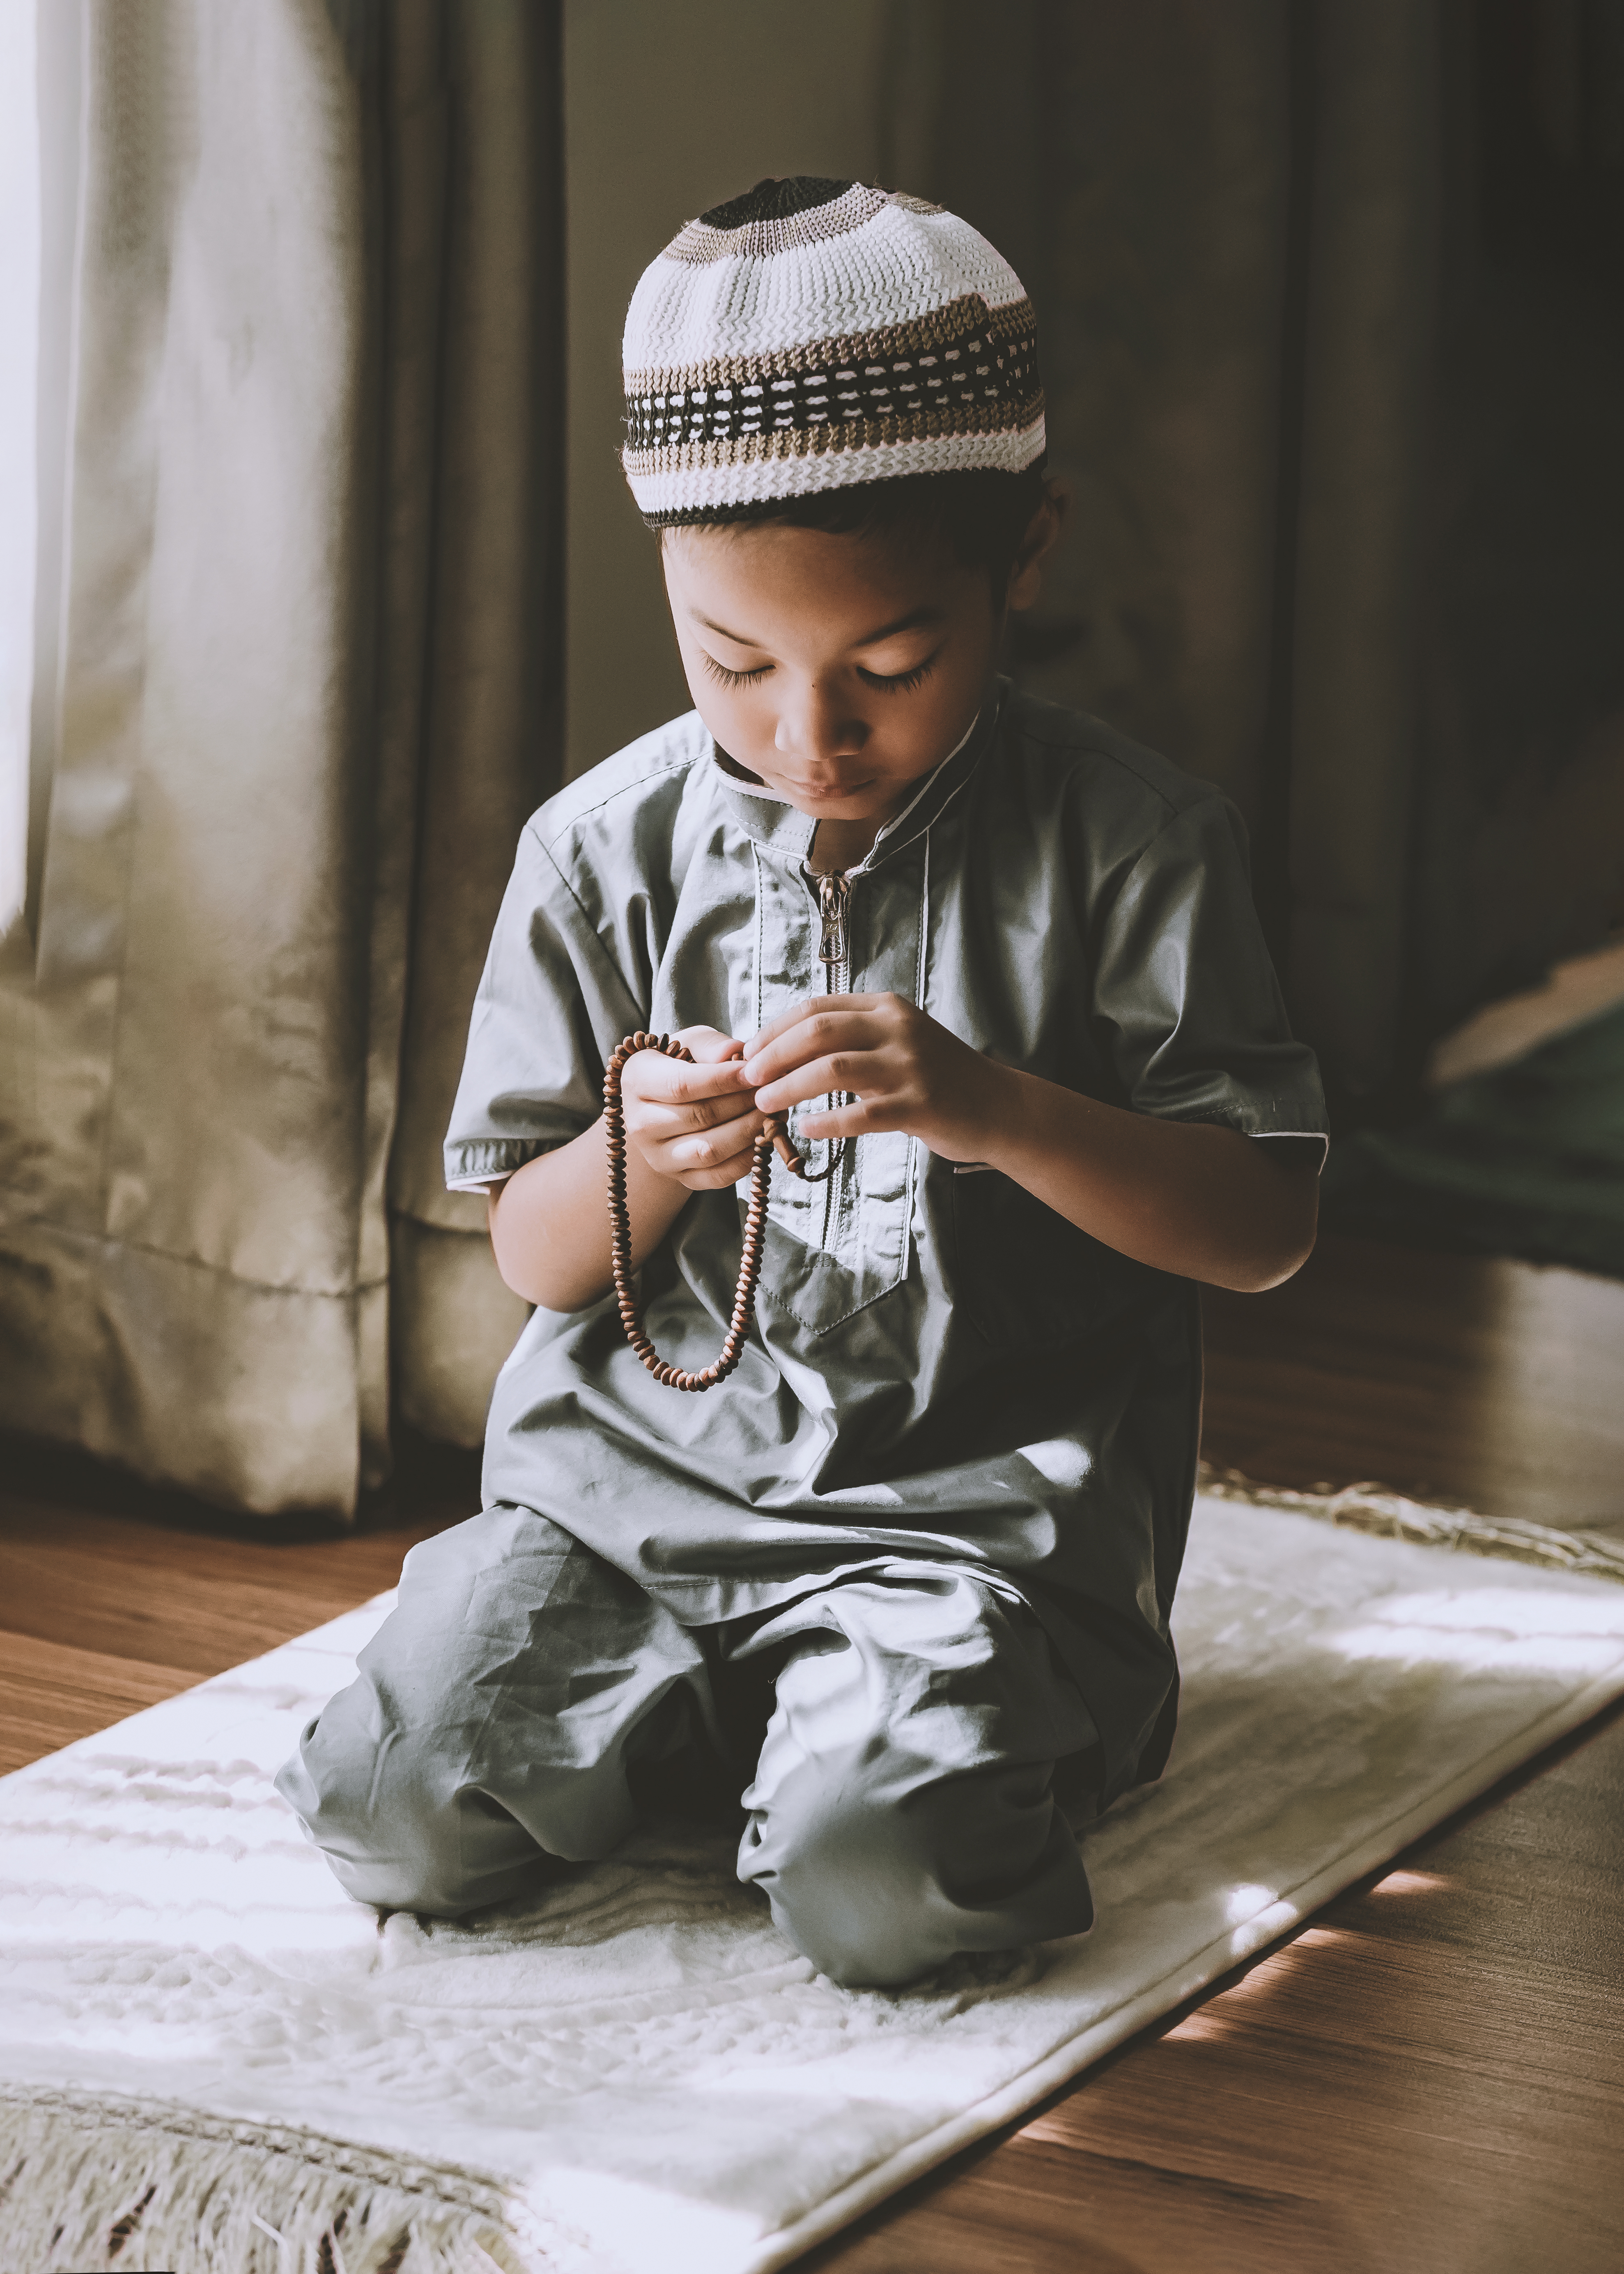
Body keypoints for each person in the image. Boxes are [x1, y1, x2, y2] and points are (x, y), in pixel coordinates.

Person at [277, 177, 1328, 1988]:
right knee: (387, 1799)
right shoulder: (599, 850)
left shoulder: (1136, 847)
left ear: (1026, 553)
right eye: (732, 663)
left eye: (891, 663)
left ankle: (886, 1726)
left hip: (967, 1529)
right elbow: (537, 1256)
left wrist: (996, 1109)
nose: (807, 735)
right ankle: (735, 1706)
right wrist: (640, 1151)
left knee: (885, 1890)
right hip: (624, 1500)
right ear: (671, 587)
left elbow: (1261, 1229)